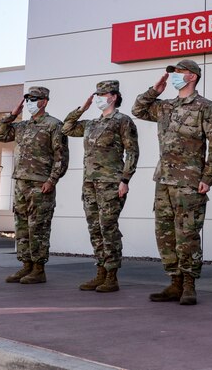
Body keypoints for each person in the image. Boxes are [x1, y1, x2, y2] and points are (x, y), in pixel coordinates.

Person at [132, 59, 212, 305]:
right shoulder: (165, 106)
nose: (174, 76)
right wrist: (156, 90)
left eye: (179, 73)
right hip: (163, 179)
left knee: (187, 233)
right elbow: (138, 110)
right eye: (173, 73)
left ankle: (188, 284)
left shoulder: (204, 107)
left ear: (192, 77)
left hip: (189, 181)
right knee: (164, 234)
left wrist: (209, 177)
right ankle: (174, 282)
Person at [62, 80, 139, 292]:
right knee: (94, 228)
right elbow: (66, 128)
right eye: (96, 94)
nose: (98, 98)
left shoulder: (122, 121)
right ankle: (101, 272)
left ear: (113, 96)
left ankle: (112, 275)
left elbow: (132, 152)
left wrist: (125, 180)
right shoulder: (91, 124)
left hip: (111, 183)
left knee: (108, 227)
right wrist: (81, 109)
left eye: (102, 94)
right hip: (89, 183)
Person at [0, 86, 69, 284]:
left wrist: (52, 180)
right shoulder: (22, 126)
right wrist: (12, 115)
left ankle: (38, 269)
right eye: (26, 99)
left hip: (40, 183)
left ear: (44, 101)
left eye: (33, 99)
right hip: (20, 182)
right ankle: (26, 265)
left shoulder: (54, 125)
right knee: (21, 227)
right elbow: (0, 135)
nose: (29, 103)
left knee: (39, 227)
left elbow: (60, 156)